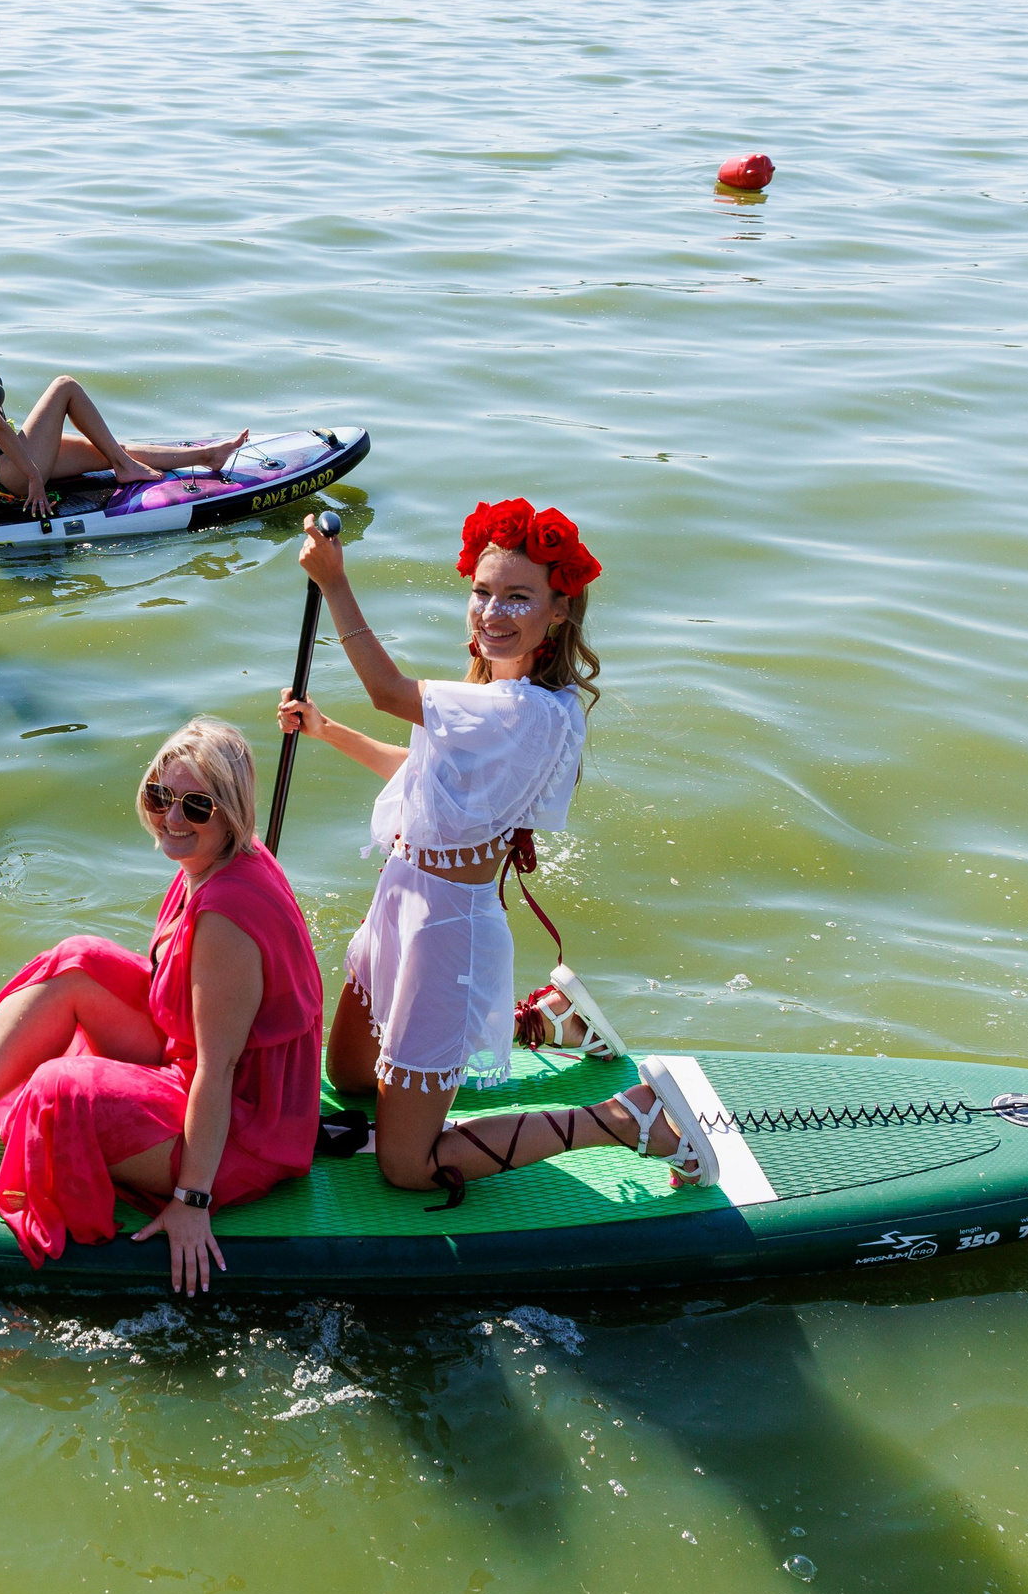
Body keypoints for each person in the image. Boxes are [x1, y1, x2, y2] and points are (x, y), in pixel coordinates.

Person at [275, 501, 706, 1204]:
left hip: (448, 931)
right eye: (481, 591)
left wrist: (333, 581)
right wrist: (327, 731)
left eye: (517, 597)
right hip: (399, 903)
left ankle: (626, 1116)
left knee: (406, 1166)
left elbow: (389, 691)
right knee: (349, 1079)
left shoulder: (525, 710)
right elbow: (422, 776)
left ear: (558, 611)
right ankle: (551, 1020)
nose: (491, 610)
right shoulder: (495, 692)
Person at [0, 718, 323, 1290]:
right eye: (160, 795)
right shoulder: (210, 863)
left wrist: (192, 1201)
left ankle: (186, 1170)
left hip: (246, 1127)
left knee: (61, 1087)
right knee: (76, 961)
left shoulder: (226, 915)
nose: (171, 818)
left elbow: (218, 1071)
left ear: (231, 812)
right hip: (194, 1059)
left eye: (196, 807)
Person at [0, 292, 248, 517]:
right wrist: (34, 478)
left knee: (110, 449)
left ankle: (206, 456)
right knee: (65, 386)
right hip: (7, 472)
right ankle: (124, 466)